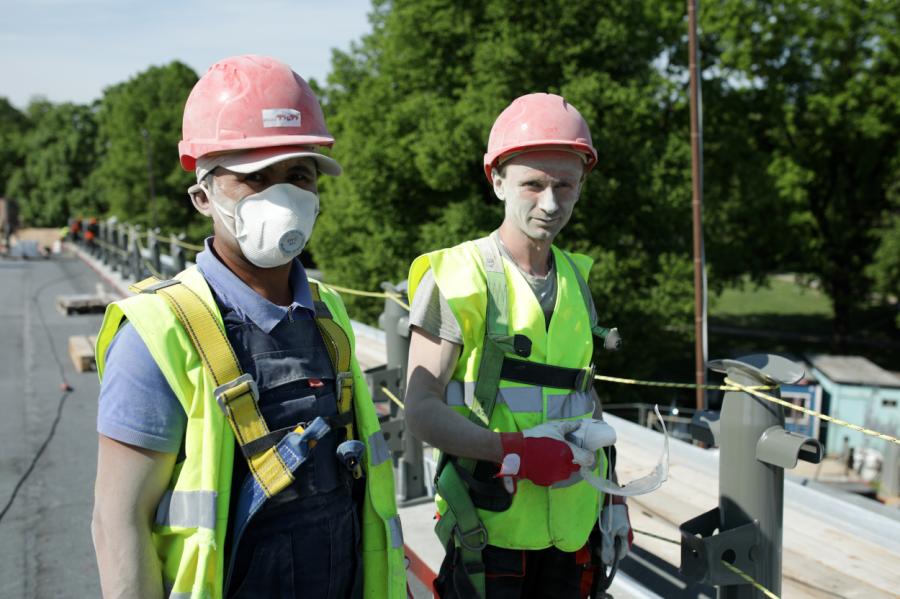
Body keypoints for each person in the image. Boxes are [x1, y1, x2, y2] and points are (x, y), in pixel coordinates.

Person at [91, 55, 406, 599]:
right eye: (255, 177)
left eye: (297, 176)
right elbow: (118, 523)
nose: (282, 197)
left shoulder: (327, 318)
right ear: (202, 196)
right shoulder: (159, 332)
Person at [404, 93, 632, 598]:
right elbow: (419, 412)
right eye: (533, 184)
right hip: (490, 533)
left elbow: (584, 398)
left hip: (574, 531)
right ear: (498, 180)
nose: (550, 203)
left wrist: (615, 500)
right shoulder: (458, 278)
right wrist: (514, 452)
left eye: (565, 185)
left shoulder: (576, 278)